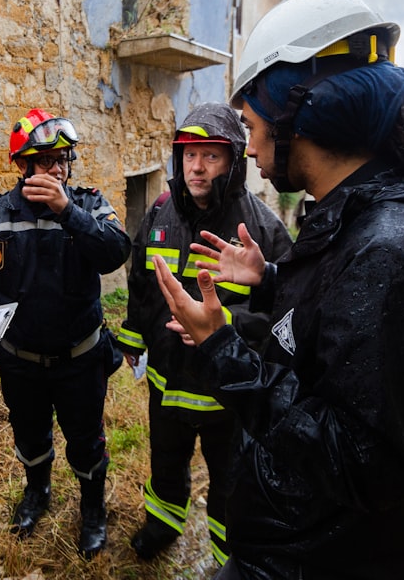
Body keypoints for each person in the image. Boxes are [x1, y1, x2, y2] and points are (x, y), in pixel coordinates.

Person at [151, 0, 404, 580]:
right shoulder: (361, 220)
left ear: (299, 114)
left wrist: (223, 349)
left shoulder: (395, 252)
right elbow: (337, 333)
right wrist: (269, 280)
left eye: (251, 123)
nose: (252, 145)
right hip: (290, 544)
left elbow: (363, 461)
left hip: (309, 562)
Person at [117, 102, 292, 567]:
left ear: (233, 161)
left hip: (228, 392)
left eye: (210, 156)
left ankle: (227, 552)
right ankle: (163, 523)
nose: (196, 167)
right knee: (166, 461)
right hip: (167, 380)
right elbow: (141, 282)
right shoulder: (159, 213)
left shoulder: (260, 230)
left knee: (231, 478)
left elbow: (288, 314)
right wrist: (133, 339)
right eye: (188, 154)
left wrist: (225, 329)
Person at [0, 108, 131, 558]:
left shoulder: (89, 205)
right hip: (20, 361)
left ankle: (92, 509)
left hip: (80, 358)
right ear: (21, 165)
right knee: (30, 436)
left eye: (64, 158)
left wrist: (67, 211)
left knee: (86, 441)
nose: (58, 168)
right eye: (45, 159)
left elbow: (115, 253)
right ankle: (37, 492)